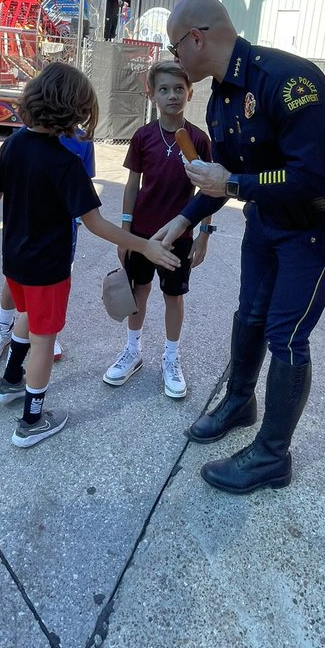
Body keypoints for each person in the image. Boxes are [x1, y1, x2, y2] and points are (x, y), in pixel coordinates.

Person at [153, 0, 325, 494]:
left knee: (286, 336)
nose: (176, 59)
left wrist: (233, 186)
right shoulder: (223, 95)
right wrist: (182, 221)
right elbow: (224, 177)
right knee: (249, 314)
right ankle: (240, 401)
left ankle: (273, 455)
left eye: (175, 47)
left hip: (315, 228)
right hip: (268, 222)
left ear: (197, 38)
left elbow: (314, 176)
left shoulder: (289, 80)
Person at [0, 62, 179, 448]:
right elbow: (97, 223)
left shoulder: (13, 143)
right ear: (74, 110)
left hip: (14, 263)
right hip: (48, 269)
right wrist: (144, 244)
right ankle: (32, 420)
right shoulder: (66, 164)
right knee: (44, 338)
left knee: (26, 315)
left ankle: (9, 381)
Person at [104, 60, 213, 399]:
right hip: (141, 234)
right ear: (151, 94)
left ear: (190, 92)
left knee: (174, 296)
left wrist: (204, 234)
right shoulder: (142, 137)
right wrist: (124, 232)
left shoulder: (199, 139)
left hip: (178, 236)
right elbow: (132, 184)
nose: (172, 96)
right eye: (164, 89)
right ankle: (133, 351)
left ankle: (171, 358)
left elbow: (210, 190)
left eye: (179, 89)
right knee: (139, 292)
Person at [0, 130, 95, 368]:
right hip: (24, 232)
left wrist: (80, 221)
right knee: (16, 279)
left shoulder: (82, 142)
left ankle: (43, 330)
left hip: (59, 237)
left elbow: (86, 184)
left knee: (50, 287)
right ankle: (3, 325)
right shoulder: (21, 139)